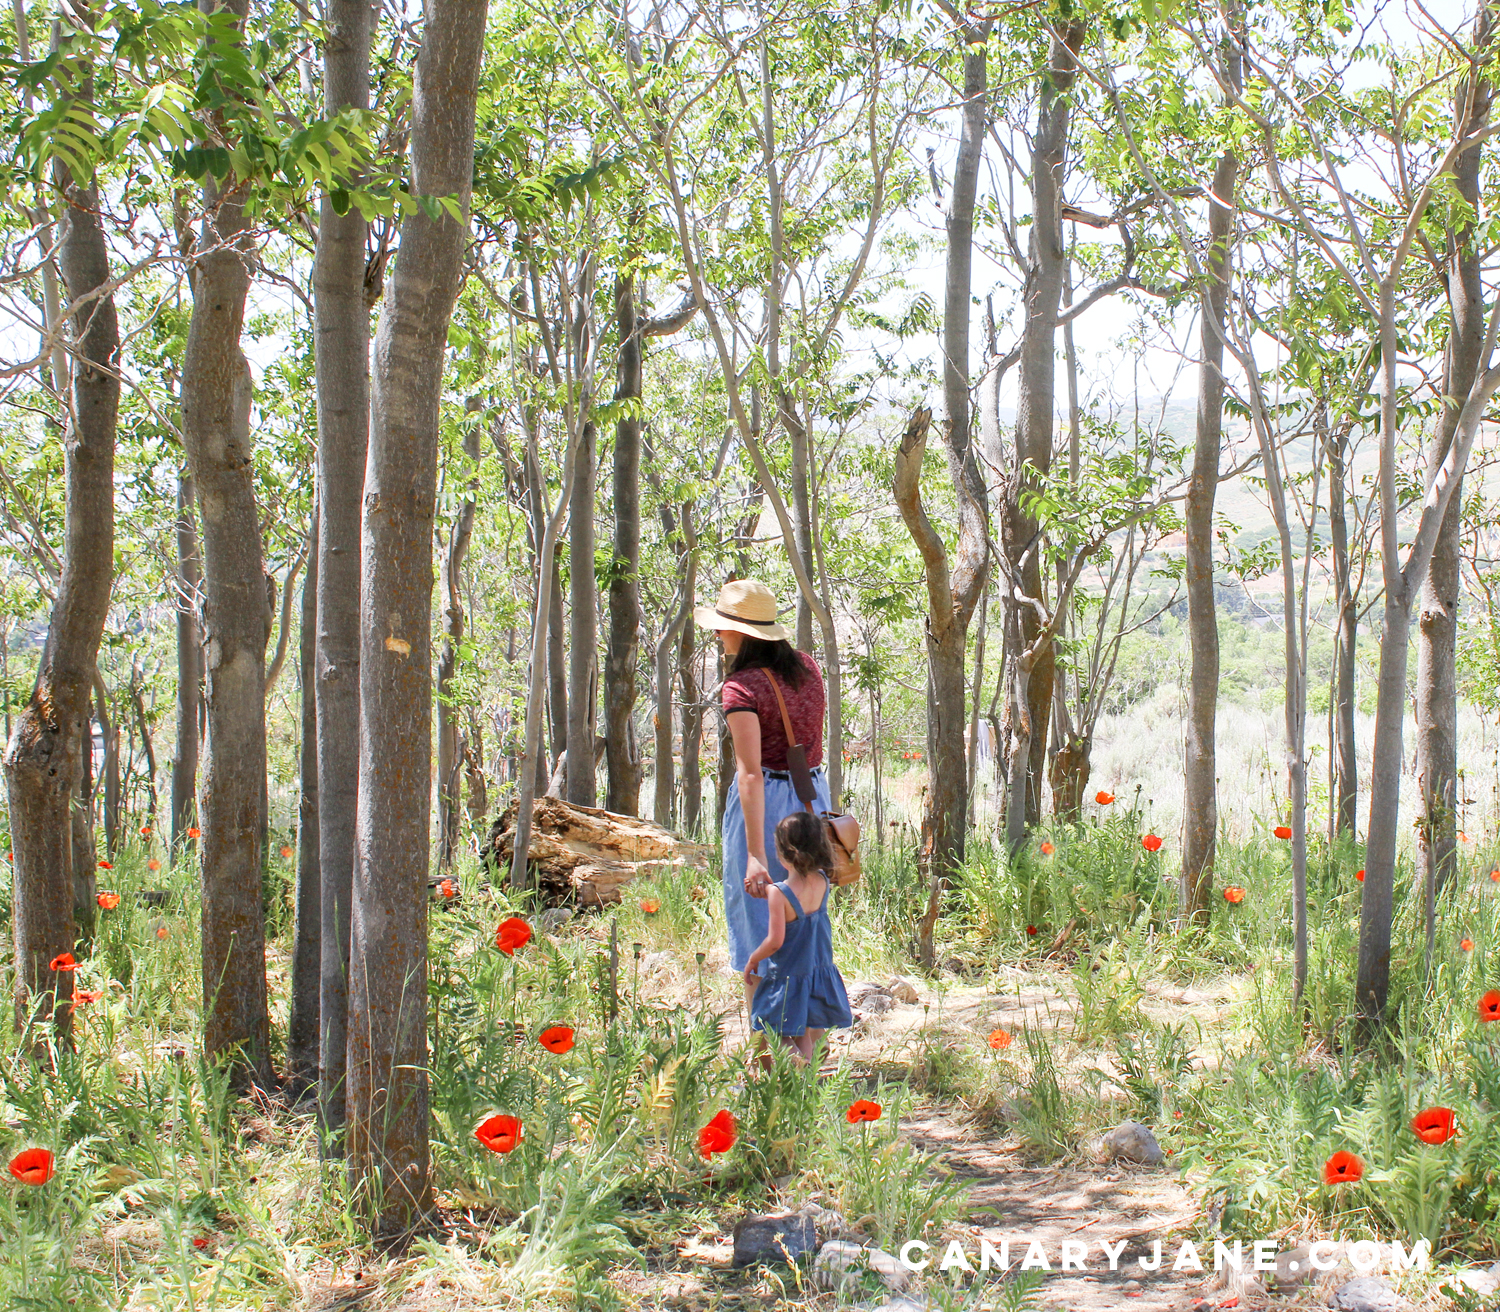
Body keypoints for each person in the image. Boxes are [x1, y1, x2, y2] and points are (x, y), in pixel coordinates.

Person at [694, 579, 833, 1047]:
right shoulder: (808, 669)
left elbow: (750, 773)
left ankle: (768, 1051)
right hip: (813, 797)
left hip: (769, 806)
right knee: (808, 919)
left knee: (760, 926)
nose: (718, 636)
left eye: (724, 628)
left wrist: (756, 854)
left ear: (745, 634)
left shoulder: (741, 687)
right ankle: (811, 1047)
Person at [742, 810, 853, 1062]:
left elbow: (775, 941)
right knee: (802, 1027)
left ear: (783, 855)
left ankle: (797, 1064)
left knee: (770, 1026)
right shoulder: (823, 881)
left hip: (787, 975)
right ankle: (808, 1082)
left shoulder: (778, 895)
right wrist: (770, 889)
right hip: (814, 970)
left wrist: (753, 959)